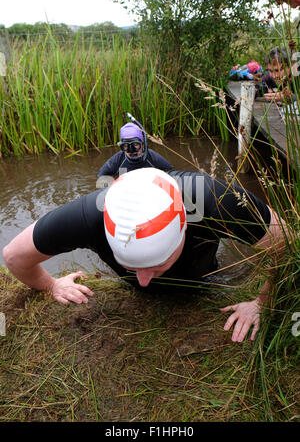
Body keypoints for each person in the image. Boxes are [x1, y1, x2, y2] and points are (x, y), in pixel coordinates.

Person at [2, 168, 287, 343]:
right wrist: (52, 284)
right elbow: (14, 256)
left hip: (204, 274)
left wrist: (262, 302)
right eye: (129, 266)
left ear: (183, 230)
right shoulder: (90, 215)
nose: (143, 281)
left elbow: (286, 244)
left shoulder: (213, 200)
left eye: (156, 264)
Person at [96, 123, 173, 185]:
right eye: (126, 146)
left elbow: (170, 171)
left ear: (143, 145)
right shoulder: (118, 159)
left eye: (135, 145)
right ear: (122, 146)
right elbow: (101, 175)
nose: (131, 150)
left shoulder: (152, 157)